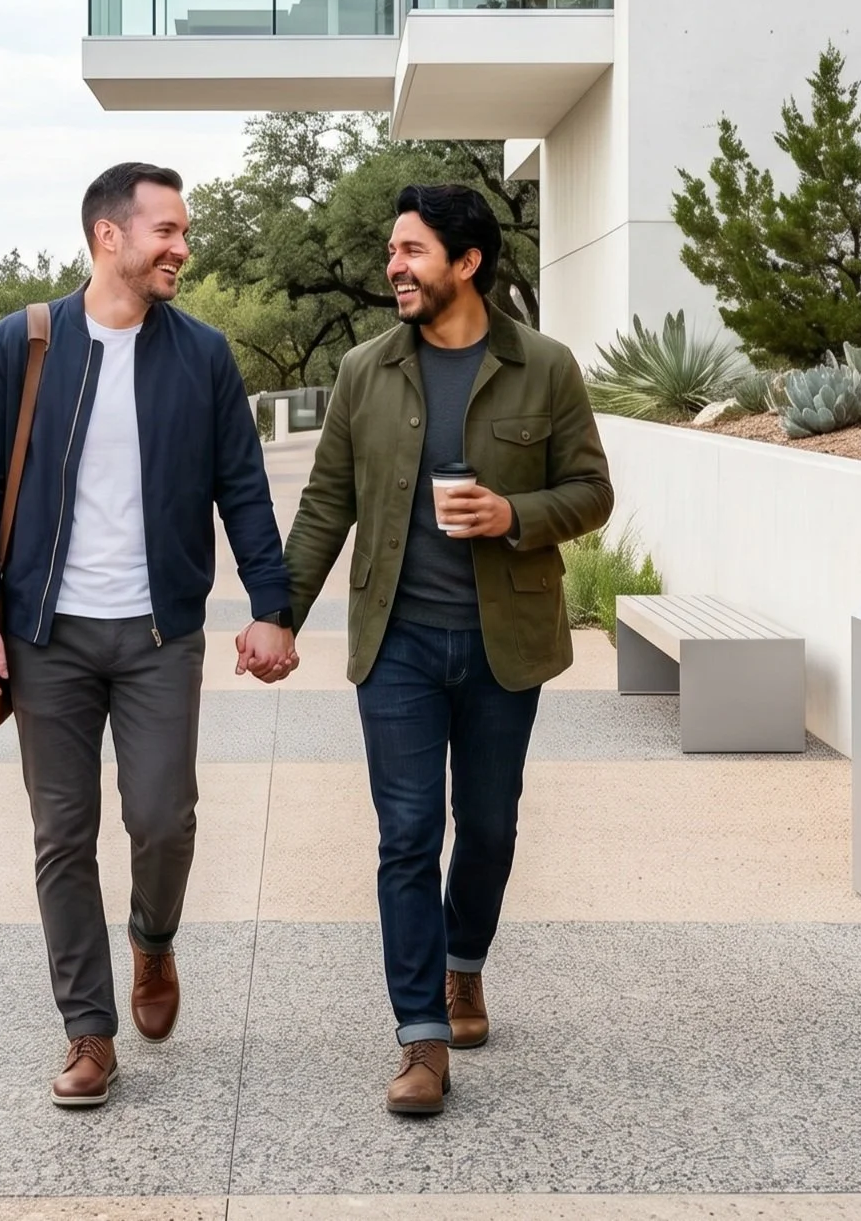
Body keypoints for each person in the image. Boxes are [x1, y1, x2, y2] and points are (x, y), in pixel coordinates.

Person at [255, 183, 613, 1115]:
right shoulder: (363, 372)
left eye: (410, 251)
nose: (393, 268)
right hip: (399, 645)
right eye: (390, 251)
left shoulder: (544, 366)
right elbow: (327, 501)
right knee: (408, 835)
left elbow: (590, 491)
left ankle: (463, 965)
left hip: (506, 646)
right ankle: (419, 1036)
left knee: (488, 827)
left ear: (466, 262)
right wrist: (279, 614)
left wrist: (511, 514)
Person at [0, 162, 296, 1108]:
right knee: (62, 835)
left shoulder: (203, 356)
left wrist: (273, 604)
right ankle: (87, 1032)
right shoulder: (23, 344)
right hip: (45, 635)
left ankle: (153, 939)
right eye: (167, 232)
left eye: (182, 232)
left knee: (161, 816)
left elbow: (244, 489)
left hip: (157, 635)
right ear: (110, 236)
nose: (182, 247)